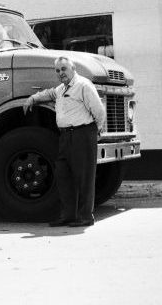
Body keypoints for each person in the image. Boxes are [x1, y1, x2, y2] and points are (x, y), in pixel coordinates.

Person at [23, 56, 106, 227]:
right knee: (63, 175)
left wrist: (94, 131)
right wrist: (33, 98)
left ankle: (85, 217)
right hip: (65, 136)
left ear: (73, 69)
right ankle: (68, 215)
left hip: (83, 133)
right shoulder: (61, 89)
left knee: (84, 177)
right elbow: (49, 93)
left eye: (64, 69)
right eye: (57, 70)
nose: (61, 73)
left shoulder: (83, 85)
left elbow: (98, 110)